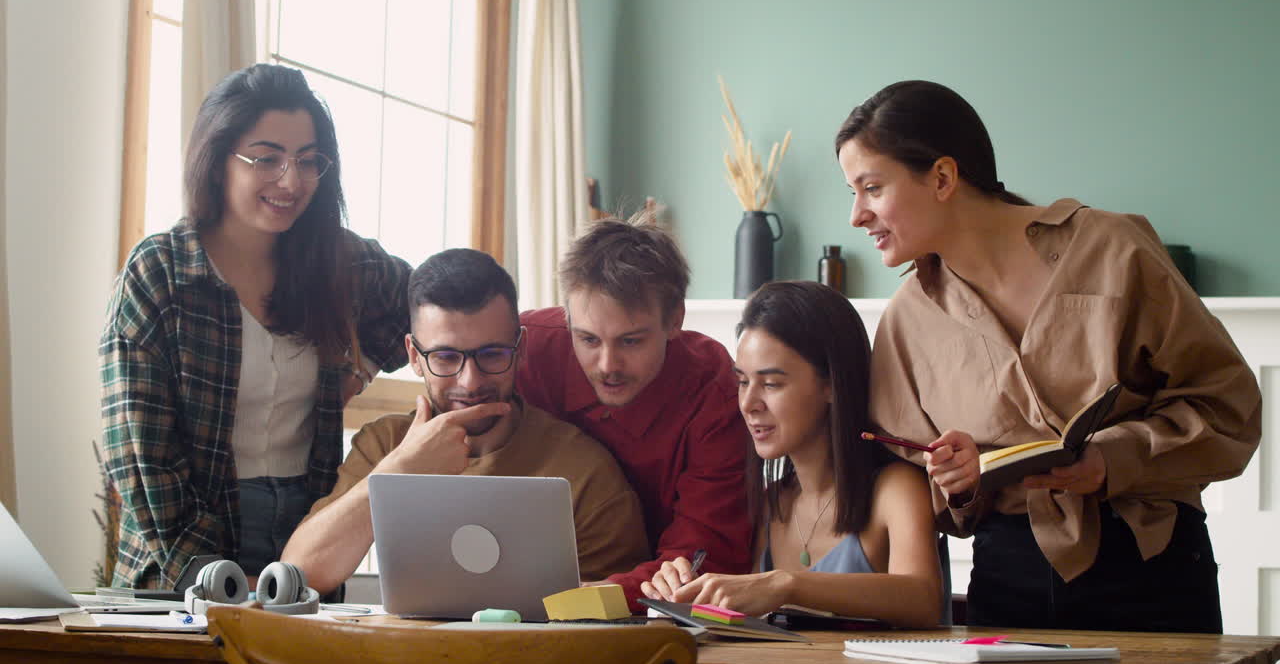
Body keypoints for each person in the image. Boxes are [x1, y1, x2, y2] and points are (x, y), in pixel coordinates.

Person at [836, 80, 1261, 632]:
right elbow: (913, 482)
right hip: (1007, 581)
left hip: (1152, 563)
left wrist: (1112, 458)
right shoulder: (907, 321)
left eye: (871, 188)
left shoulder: (1113, 249)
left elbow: (1227, 405)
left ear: (942, 177)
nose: (856, 215)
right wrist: (959, 479)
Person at [101, 64, 412, 589]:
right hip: (180, 549)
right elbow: (142, 462)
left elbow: (425, 303)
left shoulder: (338, 261)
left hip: (305, 534)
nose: (291, 181)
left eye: (307, 160)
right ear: (217, 159)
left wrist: (361, 367)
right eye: (266, 158)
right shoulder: (161, 272)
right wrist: (212, 578)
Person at [281, 249, 650, 595]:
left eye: (492, 354)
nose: (470, 382)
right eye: (445, 357)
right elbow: (301, 575)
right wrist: (402, 469)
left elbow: (621, 617)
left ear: (520, 349)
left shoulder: (584, 470)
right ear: (414, 356)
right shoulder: (385, 445)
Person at [640, 281, 943, 628]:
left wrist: (787, 584)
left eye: (771, 384)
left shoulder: (895, 489)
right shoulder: (770, 504)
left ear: (832, 383)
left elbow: (923, 599)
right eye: (742, 382)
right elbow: (742, 619)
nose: (749, 404)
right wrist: (682, 588)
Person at [517, 216, 754, 609]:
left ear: (674, 319)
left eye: (630, 341)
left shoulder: (714, 389)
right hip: (526, 583)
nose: (608, 365)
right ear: (567, 317)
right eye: (588, 339)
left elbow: (703, 556)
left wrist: (579, 600)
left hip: (648, 607)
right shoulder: (524, 349)